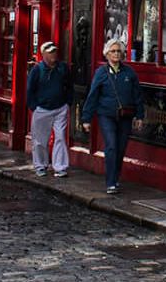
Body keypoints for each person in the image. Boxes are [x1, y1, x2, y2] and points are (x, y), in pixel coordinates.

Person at [81, 39, 144, 195]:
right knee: (111, 146)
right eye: (113, 51)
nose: (116, 54)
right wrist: (86, 118)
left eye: (119, 51)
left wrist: (140, 116)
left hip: (125, 116)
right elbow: (93, 95)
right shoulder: (101, 73)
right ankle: (110, 182)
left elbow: (138, 96)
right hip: (106, 115)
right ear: (107, 54)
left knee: (121, 148)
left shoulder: (130, 73)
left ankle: (115, 178)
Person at [26, 41, 72, 178]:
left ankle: (60, 167)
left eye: (54, 51)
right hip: (42, 109)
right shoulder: (37, 70)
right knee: (40, 140)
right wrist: (34, 107)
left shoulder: (62, 68)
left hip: (60, 108)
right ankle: (41, 166)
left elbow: (69, 86)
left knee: (60, 138)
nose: (53, 54)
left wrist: (67, 103)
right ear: (43, 54)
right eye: (50, 52)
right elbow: (30, 90)